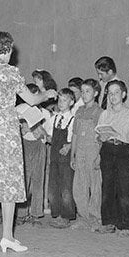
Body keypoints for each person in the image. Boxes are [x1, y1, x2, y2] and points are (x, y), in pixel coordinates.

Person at [0, 30, 53, 253]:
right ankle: (7, 236)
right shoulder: (11, 72)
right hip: (6, 132)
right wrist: (46, 95)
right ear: (6, 49)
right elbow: (32, 99)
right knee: (8, 183)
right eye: (11, 50)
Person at [94, 80, 129, 234]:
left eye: (116, 92)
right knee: (107, 187)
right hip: (107, 150)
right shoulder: (104, 114)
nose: (113, 96)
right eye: (110, 93)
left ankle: (127, 224)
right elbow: (99, 136)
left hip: (123, 151)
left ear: (124, 94)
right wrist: (101, 141)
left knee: (125, 188)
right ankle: (108, 222)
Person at [16, 83, 51, 226]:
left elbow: (49, 135)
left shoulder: (45, 113)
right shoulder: (18, 109)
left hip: (39, 146)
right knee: (23, 180)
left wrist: (40, 130)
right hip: (23, 145)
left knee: (38, 179)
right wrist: (22, 127)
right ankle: (21, 213)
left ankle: (36, 213)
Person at [70, 79, 103, 231]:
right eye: (82, 91)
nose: (84, 94)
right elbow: (75, 134)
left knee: (95, 186)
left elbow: (102, 136)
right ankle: (82, 217)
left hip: (93, 151)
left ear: (95, 93)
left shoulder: (100, 112)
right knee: (79, 185)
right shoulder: (79, 111)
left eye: (87, 91)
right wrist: (73, 155)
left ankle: (95, 218)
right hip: (80, 151)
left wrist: (99, 156)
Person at [46, 87, 77, 227]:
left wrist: (69, 146)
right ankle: (56, 213)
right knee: (53, 187)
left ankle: (66, 216)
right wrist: (45, 136)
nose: (61, 102)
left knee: (66, 187)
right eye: (59, 99)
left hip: (65, 158)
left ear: (71, 102)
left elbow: (74, 139)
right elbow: (49, 136)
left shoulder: (72, 119)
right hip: (54, 157)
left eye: (65, 100)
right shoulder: (54, 118)